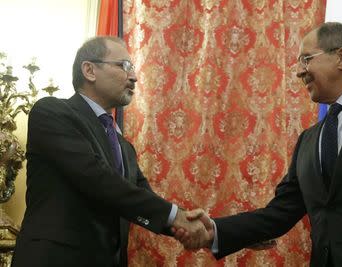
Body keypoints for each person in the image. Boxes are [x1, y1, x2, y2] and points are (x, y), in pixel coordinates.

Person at [174, 22, 342, 267]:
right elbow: (280, 213)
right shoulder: (309, 140)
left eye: (306, 60)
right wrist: (215, 231)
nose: (299, 73)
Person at [12, 36, 208, 267]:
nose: (134, 77)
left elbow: (141, 197)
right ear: (90, 70)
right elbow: (96, 177)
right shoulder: (52, 113)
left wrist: (204, 229)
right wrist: (178, 217)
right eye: (124, 66)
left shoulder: (124, 146)